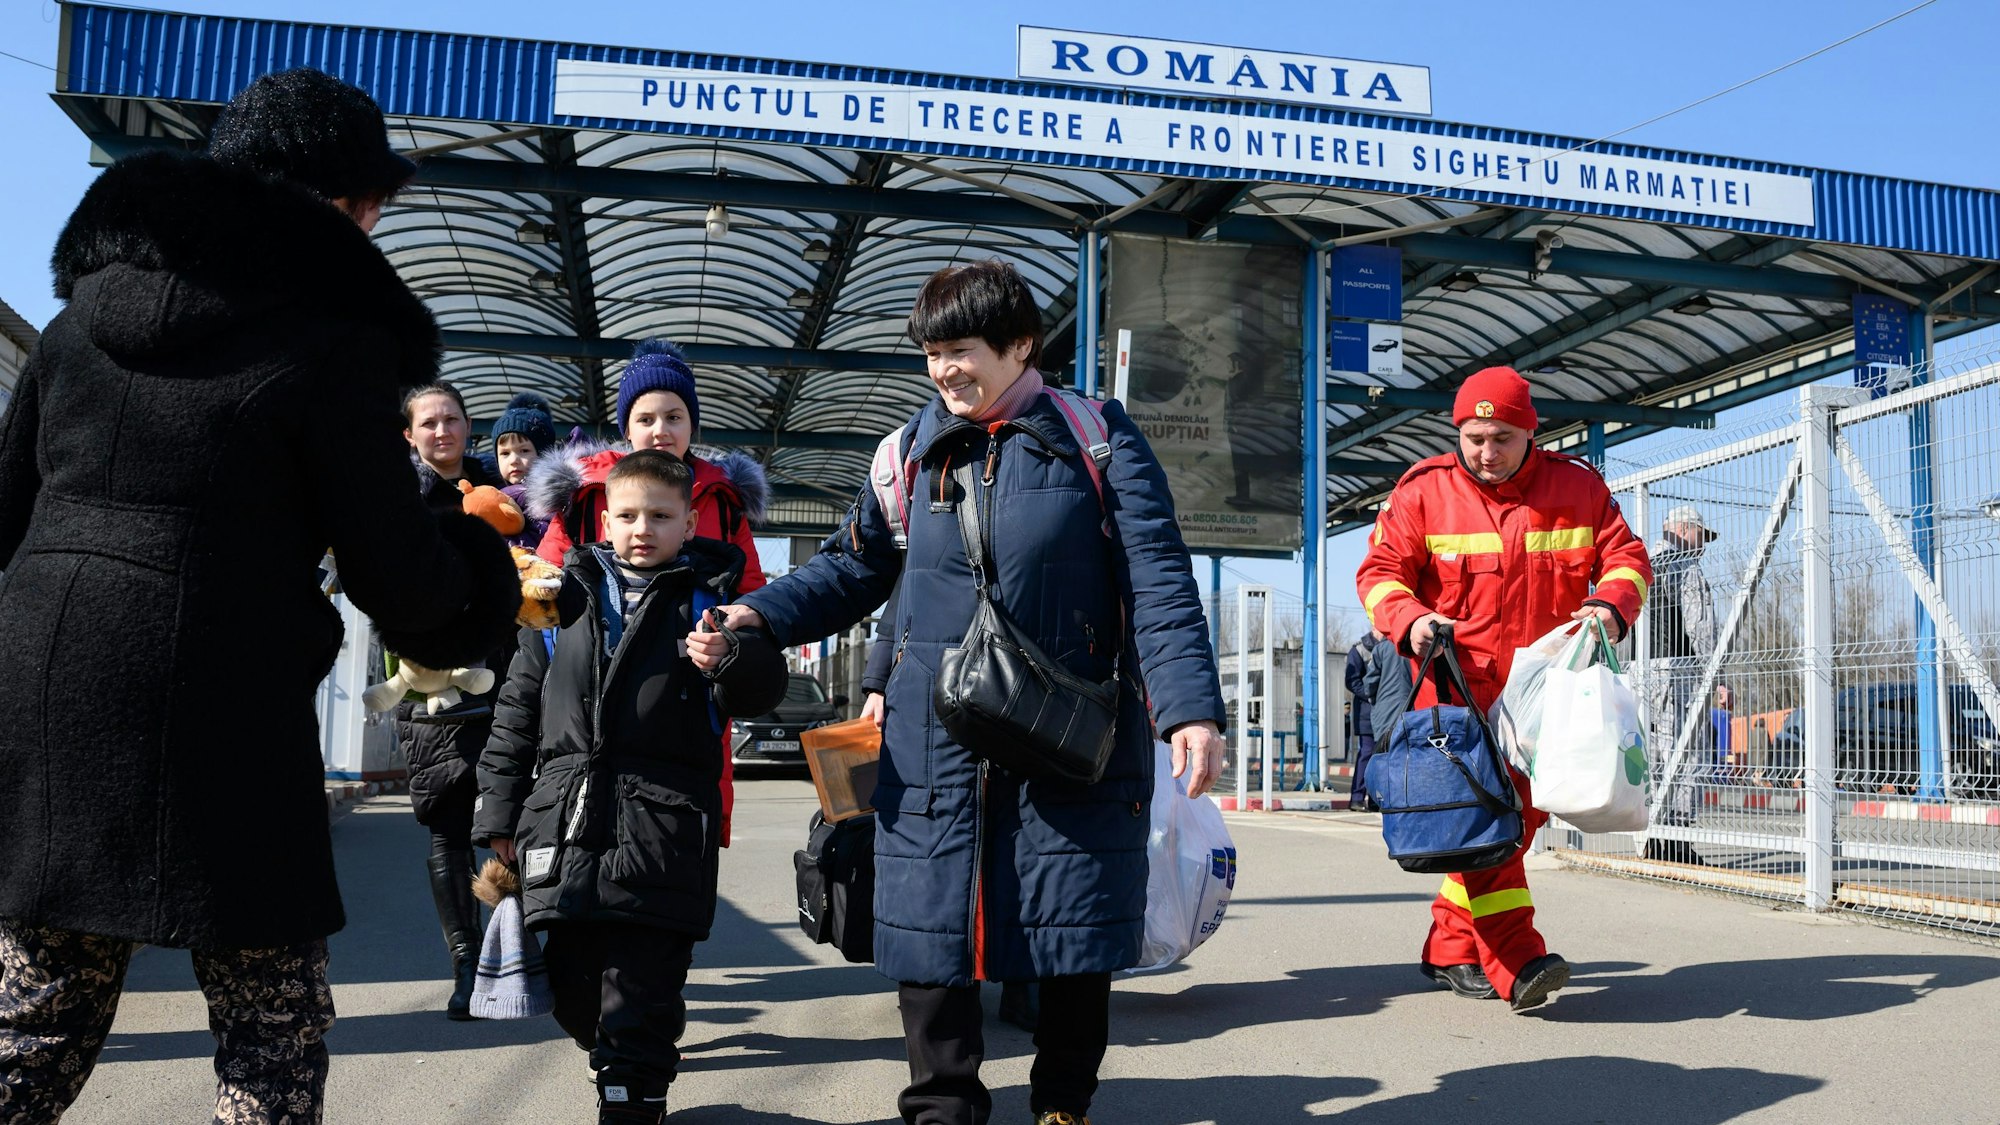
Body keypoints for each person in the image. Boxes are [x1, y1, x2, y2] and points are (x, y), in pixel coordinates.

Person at [0, 67, 520, 1120]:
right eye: (373, 201)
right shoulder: (330, 347)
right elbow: (398, 581)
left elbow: (4, 521)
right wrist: (479, 558)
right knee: (269, 1018)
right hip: (219, 693)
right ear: (330, 199)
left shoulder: (72, 328)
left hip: (45, 688)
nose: (376, 224)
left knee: (37, 1013)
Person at [694, 260, 1226, 1125]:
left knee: (1070, 928)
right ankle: (941, 1108)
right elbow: (852, 567)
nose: (946, 371)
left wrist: (1190, 708)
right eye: (933, 354)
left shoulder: (1098, 439)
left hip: (1068, 734)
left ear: (1021, 346)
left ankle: (1062, 1104)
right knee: (931, 933)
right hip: (933, 739)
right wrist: (760, 611)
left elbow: (1158, 577)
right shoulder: (908, 453)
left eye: (963, 350)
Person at [474, 450, 785, 1125]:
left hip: (664, 834)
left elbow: (763, 688)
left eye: (660, 515)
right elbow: (514, 714)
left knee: (641, 992)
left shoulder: (715, 601)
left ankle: (630, 1095)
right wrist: (497, 812)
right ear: (603, 518)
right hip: (563, 827)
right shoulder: (560, 601)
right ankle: (609, 1052)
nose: (642, 527)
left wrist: (732, 656)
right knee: (570, 984)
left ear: (690, 519)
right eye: (627, 514)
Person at [1356, 365, 1650, 1013]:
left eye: (1501, 438)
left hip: (1544, 701)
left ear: (1530, 433)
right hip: (1453, 697)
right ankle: (1517, 960)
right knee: (1488, 828)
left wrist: (1609, 604)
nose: (1486, 452)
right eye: (1474, 437)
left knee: (1503, 832)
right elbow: (1379, 573)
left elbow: (1627, 556)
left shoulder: (1578, 488)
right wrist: (1409, 619)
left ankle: (1450, 948)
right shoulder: (1422, 494)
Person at [527, 338, 769, 847]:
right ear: (625, 426)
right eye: (646, 418)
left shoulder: (723, 500)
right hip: (595, 673)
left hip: (687, 676)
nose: (660, 430)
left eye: (675, 416)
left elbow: (751, 593)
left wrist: (732, 643)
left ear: (692, 425)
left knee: (684, 820)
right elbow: (544, 579)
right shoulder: (587, 492)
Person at [1643, 504, 1723, 864]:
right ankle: (1677, 839)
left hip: (1641, 673)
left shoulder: (1641, 564)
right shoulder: (1686, 568)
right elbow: (1701, 630)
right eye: (1700, 536)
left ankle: (1651, 835)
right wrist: (1717, 675)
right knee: (1686, 751)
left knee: (1651, 755)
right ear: (1683, 529)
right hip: (1681, 672)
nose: (1702, 545)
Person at [491, 392, 558, 549]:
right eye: (505, 453)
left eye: (524, 451)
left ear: (543, 454)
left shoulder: (552, 499)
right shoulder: (494, 495)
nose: (514, 460)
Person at [1344, 631, 1381, 811]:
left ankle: (1375, 800)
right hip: (1366, 713)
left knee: (1380, 757)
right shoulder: (1358, 650)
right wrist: (1371, 694)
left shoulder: (1390, 646)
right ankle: (1357, 798)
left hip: (1383, 712)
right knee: (1366, 754)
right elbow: (1351, 681)